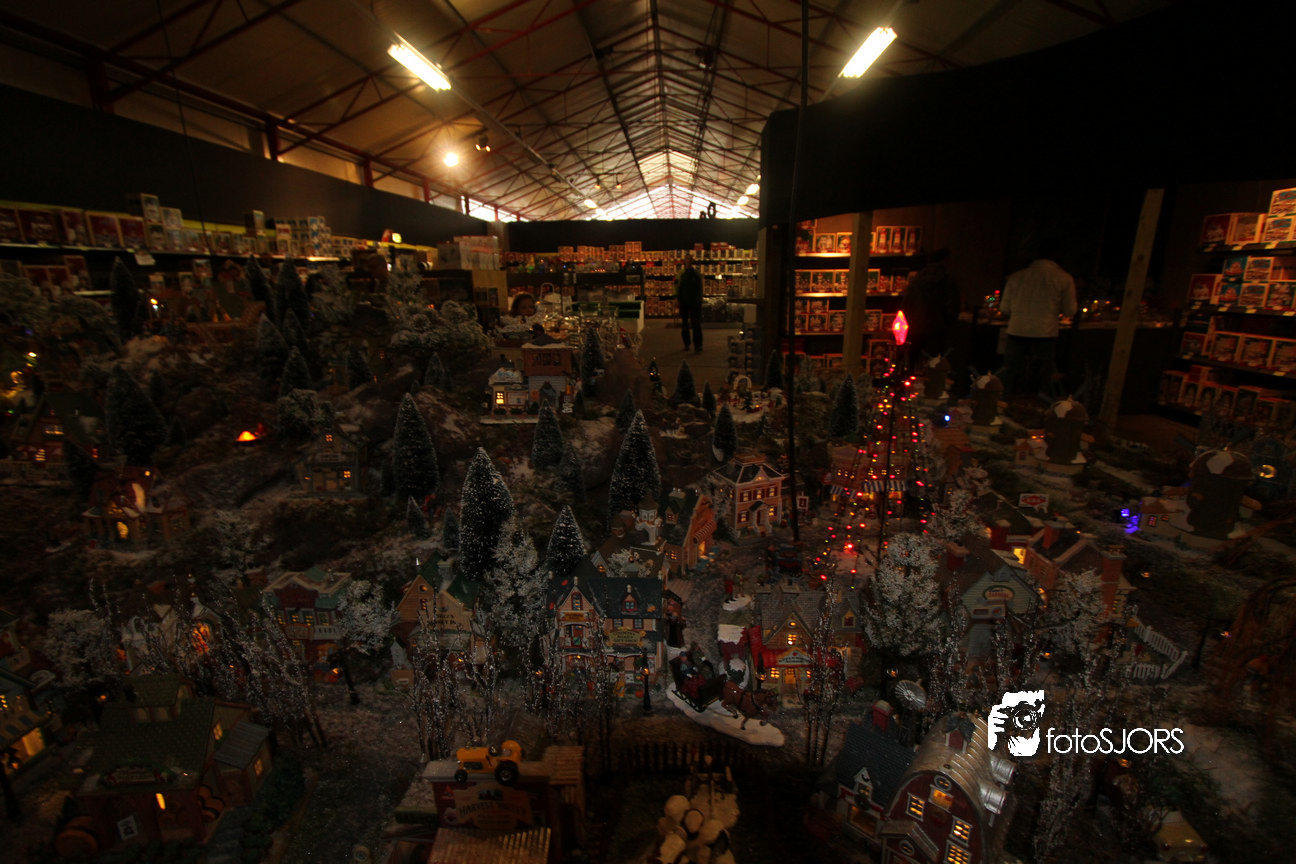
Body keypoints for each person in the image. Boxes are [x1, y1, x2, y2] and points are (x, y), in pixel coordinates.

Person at [998, 240, 1077, 398]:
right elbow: (1070, 310)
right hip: (1045, 332)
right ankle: (1040, 402)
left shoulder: (1017, 277)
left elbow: (1004, 308)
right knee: (1043, 374)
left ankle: (1005, 400)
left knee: (1011, 371)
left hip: (1018, 329)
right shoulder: (1064, 278)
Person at [900, 247, 961, 367]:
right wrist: (950, 326)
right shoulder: (947, 280)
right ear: (945, 260)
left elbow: (906, 304)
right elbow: (952, 307)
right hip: (936, 328)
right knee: (934, 364)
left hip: (915, 327)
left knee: (912, 362)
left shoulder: (917, 279)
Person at [674, 254, 704, 352]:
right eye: (687, 259)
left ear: (692, 261)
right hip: (684, 302)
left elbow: (700, 287)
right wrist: (676, 299)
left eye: (690, 259)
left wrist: (700, 299)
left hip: (695, 302)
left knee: (696, 324)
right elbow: (675, 287)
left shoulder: (696, 274)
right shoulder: (680, 274)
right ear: (684, 261)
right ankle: (686, 344)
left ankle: (698, 345)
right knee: (685, 324)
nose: (688, 261)